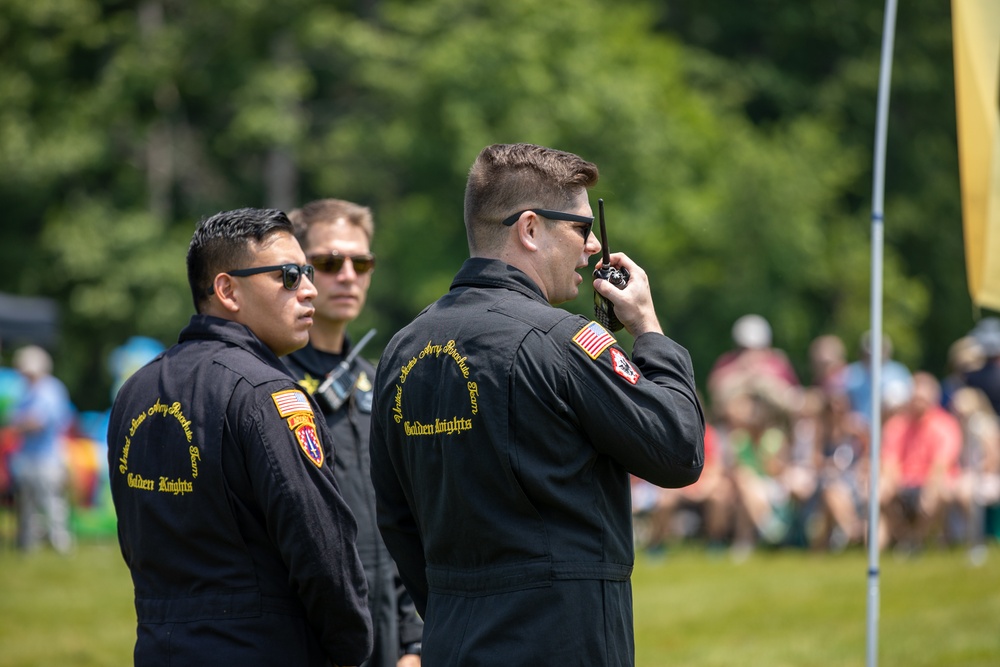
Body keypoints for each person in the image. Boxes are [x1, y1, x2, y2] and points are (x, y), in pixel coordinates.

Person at [368, 143, 705, 666]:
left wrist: (459, 606)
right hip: (561, 642)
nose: (593, 248)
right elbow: (678, 449)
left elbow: (393, 516)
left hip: (452, 642)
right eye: (581, 227)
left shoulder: (401, 350)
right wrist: (648, 330)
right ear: (529, 228)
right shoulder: (563, 343)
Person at [106, 208, 373, 666]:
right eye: (289, 276)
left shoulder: (136, 390)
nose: (309, 289)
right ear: (227, 289)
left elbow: (136, 546)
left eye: (307, 272)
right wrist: (352, 648)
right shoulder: (269, 394)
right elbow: (321, 548)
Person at [283, 199, 423, 667]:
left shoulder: (378, 380)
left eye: (361, 262)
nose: (347, 275)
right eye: (327, 262)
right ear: (294, 271)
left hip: (389, 634)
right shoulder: (266, 384)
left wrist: (414, 642)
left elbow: (405, 516)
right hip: (311, 636)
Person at [880, 372, 962, 553]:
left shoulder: (945, 424)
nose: (917, 403)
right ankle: (904, 538)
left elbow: (942, 464)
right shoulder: (896, 424)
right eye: (915, 398)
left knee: (937, 494)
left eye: (922, 399)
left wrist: (930, 487)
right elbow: (889, 461)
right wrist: (889, 483)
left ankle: (916, 540)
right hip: (904, 480)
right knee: (880, 492)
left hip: (933, 480)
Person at [7, 344, 73, 554]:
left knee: (52, 502)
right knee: (26, 504)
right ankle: (28, 545)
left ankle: (60, 544)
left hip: (48, 457)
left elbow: (39, 422)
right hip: (27, 456)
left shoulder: (51, 389)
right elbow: (14, 419)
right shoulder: (24, 391)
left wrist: (22, 424)